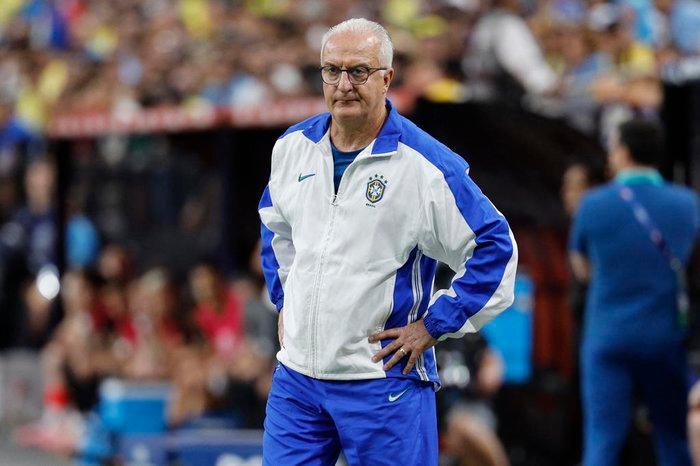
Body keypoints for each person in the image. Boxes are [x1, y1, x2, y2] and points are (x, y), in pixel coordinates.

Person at [258, 18, 518, 466]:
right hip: (297, 382)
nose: (344, 84)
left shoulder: (426, 166)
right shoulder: (293, 147)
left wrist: (435, 324)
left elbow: (496, 246)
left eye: (359, 71)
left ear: (386, 78)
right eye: (332, 70)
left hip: (382, 383)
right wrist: (284, 301)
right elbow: (274, 226)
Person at [569, 119, 698, 466]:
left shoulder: (593, 204)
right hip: (665, 337)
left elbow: (581, 269)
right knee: (673, 439)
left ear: (622, 151)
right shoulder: (688, 204)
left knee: (602, 442)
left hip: (607, 335)